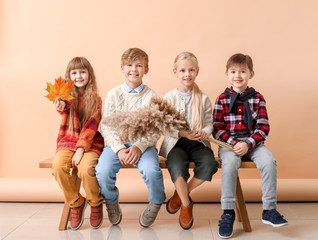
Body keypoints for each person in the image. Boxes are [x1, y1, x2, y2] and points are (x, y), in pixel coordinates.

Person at [213, 53, 288, 238]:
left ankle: (269, 209)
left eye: (243, 71)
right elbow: (217, 129)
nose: (237, 75)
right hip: (229, 144)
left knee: (269, 161)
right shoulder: (222, 99)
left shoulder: (258, 98)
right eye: (233, 71)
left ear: (251, 74)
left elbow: (263, 127)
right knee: (229, 165)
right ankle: (228, 212)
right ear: (226, 74)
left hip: (253, 143)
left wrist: (248, 144)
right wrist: (235, 143)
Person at [96, 48, 166, 228]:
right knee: (102, 171)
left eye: (139, 66)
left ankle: (156, 201)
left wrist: (138, 147)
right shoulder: (114, 94)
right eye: (129, 65)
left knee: (152, 171)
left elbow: (155, 128)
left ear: (146, 70)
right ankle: (111, 201)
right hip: (116, 144)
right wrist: (119, 148)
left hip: (143, 145)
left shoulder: (152, 96)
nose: (133, 70)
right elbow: (106, 125)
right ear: (122, 68)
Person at [159, 52, 218, 230]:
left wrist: (204, 132)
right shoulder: (169, 97)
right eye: (183, 70)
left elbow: (209, 123)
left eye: (191, 70)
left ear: (197, 71)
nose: (187, 74)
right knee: (176, 166)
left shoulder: (203, 98)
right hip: (176, 143)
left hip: (198, 143)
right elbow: (163, 126)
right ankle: (186, 204)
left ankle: (179, 194)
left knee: (209, 164)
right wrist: (184, 134)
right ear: (175, 72)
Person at [51, 57, 105, 230]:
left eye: (82, 72)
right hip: (68, 141)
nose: (79, 76)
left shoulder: (96, 99)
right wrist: (59, 106)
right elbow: (64, 107)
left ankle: (95, 202)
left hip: (90, 142)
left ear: (90, 75)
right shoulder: (67, 97)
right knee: (58, 167)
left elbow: (91, 125)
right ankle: (76, 203)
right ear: (69, 76)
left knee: (86, 169)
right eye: (74, 73)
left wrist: (81, 149)